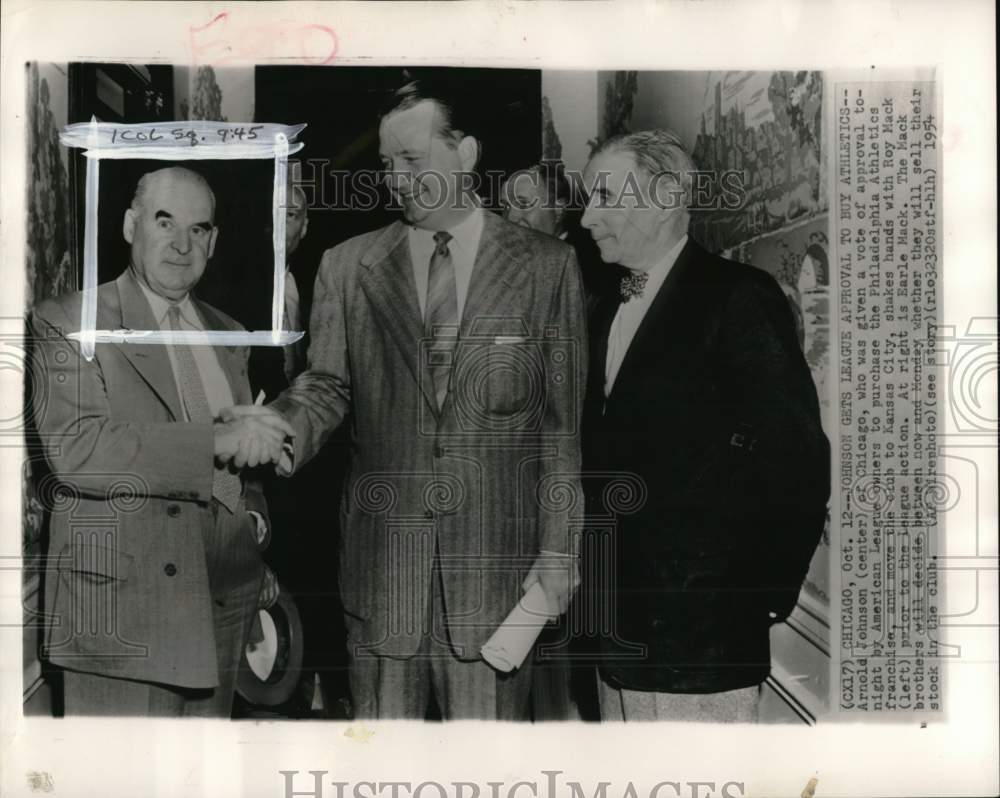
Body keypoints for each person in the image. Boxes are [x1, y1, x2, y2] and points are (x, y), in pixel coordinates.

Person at [223, 76, 588, 720]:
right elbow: (325, 385)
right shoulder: (348, 265)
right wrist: (279, 426)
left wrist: (558, 550)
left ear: (465, 154)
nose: (395, 178)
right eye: (388, 163)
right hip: (382, 574)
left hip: (497, 581)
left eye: (412, 160)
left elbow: (559, 431)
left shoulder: (545, 267)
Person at [580, 130, 830, 722]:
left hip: (702, 645)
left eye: (606, 197)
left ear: (667, 196)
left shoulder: (738, 298)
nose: (588, 217)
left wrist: (755, 598)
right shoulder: (606, 309)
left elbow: (796, 459)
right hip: (615, 635)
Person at [30, 166, 292, 716]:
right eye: (165, 221)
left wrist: (253, 520)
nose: (181, 244)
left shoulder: (229, 332)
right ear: (130, 225)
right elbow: (78, 449)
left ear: (214, 242)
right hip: (126, 615)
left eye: (198, 229)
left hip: (224, 600)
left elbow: (247, 447)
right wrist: (217, 441)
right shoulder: (69, 321)